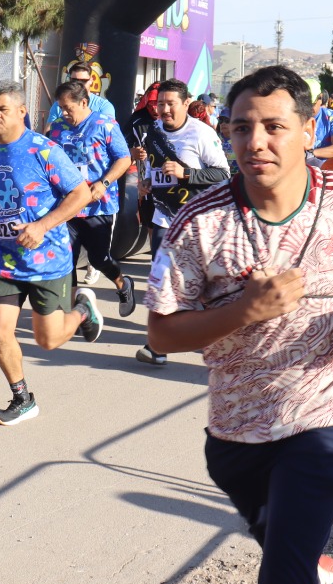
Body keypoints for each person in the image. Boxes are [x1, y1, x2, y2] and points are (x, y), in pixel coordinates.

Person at [145, 66, 333, 584]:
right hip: (236, 428)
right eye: (241, 128)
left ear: (309, 132)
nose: (255, 142)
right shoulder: (199, 223)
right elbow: (162, 333)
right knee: (291, 552)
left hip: (327, 411)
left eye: (274, 127)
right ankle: (316, 577)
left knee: (281, 570)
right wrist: (245, 311)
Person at [0, 81, 101, 425]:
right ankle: (22, 398)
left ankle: (83, 310)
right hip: (2, 259)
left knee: (47, 340)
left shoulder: (44, 150)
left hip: (47, 261)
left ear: (22, 112)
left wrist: (41, 226)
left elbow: (81, 194)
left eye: (2, 109)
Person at [129, 79, 231, 365]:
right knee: (163, 281)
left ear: (186, 103)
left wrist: (187, 174)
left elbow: (222, 174)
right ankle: (158, 346)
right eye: (160, 104)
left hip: (198, 221)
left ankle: (214, 334)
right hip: (164, 219)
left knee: (202, 286)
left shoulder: (201, 133)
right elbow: (155, 170)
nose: (164, 110)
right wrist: (147, 183)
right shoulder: (152, 131)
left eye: (170, 104)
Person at [48, 80, 137, 317]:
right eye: (61, 108)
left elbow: (124, 159)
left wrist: (103, 183)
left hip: (98, 206)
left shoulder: (104, 124)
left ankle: (123, 284)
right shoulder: (57, 128)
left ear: (84, 102)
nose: (64, 114)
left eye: (68, 108)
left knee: (99, 259)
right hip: (67, 205)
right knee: (66, 258)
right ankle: (70, 313)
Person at [47, 62, 114, 126]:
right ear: (70, 80)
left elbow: (108, 129)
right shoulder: (58, 105)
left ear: (91, 80)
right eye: (74, 80)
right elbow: (49, 130)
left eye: (83, 81)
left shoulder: (104, 106)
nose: (78, 84)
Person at [310, 93, 333, 161]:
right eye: (304, 103)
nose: (306, 108)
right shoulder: (294, 114)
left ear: (320, 100)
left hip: (323, 165)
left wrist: (310, 153)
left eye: (312, 104)